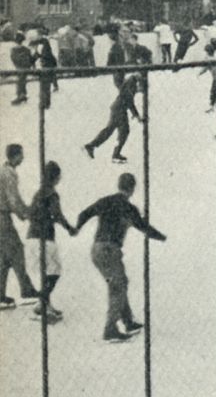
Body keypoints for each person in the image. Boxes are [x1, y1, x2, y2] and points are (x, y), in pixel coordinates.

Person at [76, 172, 166, 341]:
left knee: (120, 282)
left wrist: (76, 228)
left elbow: (83, 214)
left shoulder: (105, 201)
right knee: (118, 285)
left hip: (96, 249)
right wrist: (161, 237)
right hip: (110, 250)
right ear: (132, 189)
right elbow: (144, 228)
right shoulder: (129, 209)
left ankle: (128, 320)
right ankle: (110, 329)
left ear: (119, 185)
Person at [25, 161, 76, 322]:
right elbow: (57, 214)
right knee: (54, 273)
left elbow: (30, 213)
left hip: (32, 236)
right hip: (45, 238)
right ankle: (41, 305)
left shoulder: (38, 193)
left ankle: (45, 304)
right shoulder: (52, 194)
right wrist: (69, 228)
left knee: (46, 273)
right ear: (56, 177)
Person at [0, 145, 40, 308]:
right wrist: (26, 214)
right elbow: (13, 199)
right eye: (21, 156)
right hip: (3, 218)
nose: (23, 159)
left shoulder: (3, 171)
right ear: (15, 156)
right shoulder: (9, 174)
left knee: (4, 257)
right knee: (17, 251)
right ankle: (27, 290)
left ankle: (0, 295)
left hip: (2, 217)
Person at [84, 71, 143, 163]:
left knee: (110, 130)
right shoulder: (132, 83)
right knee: (122, 131)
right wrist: (137, 115)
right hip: (119, 109)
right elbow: (129, 101)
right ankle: (114, 154)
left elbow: (127, 96)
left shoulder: (130, 82)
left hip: (118, 108)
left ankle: (92, 146)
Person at [9, 33, 32, 105]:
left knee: (19, 80)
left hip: (18, 67)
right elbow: (30, 59)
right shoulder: (27, 49)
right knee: (23, 79)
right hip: (26, 67)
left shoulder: (13, 49)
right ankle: (23, 94)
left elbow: (13, 59)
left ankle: (20, 95)